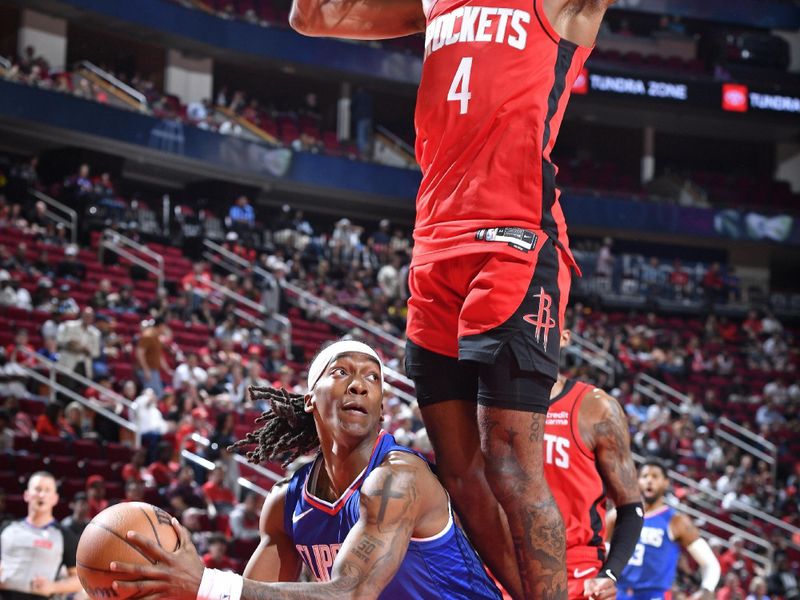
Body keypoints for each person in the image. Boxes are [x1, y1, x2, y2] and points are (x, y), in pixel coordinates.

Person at [289, 1, 614, 597]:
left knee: (511, 465)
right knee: (462, 474)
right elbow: (311, 16)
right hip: (434, 245)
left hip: (513, 238)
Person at [110, 340, 502, 599]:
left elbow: (350, 592)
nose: (360, 385)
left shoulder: (399, 479)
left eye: (373, 378)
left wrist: (206, 584)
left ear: (382, 408)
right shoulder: (286, 503)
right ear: (310, 399)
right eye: (341, 372)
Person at [544, 330, 643, 600]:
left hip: (576, 572)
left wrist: (609, 574)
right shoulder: (485, 406)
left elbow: (631, 507)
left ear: (564, 337)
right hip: (499, 567)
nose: (533, 329)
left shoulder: (596, 409)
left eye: (544, 320)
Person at [613, 459, 721, 600]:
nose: (649, 481)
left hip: (653, 595)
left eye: (655, 476)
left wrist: (707, 589)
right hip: (619, 593)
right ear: (637, 481)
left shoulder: (677, 521)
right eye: (645, 476)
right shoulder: (619, 516)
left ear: (666, 482)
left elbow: (710, 564)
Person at [0, 472, 82, 599]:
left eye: (47, 490)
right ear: (27, 495)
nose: (42, 494)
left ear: (55, 498)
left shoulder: (64, 535)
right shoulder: (7, 528)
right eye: (38, 489)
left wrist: (54, 587)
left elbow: (79, 579)